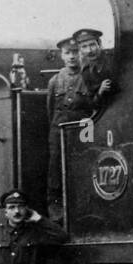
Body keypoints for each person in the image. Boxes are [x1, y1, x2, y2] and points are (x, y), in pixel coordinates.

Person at [45, 36, 84, 219]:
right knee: (56, 170)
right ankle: (56, 213)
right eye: (67, 53)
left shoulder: (88, 76)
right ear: (62, 55)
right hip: (58, 131)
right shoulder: (54, 81)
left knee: (84, 165)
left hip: (84, 129)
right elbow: (50, 109)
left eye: (75, 52)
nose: (72, 57)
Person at [72, 27, 119, 122]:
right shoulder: (86, 72)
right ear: (80, 50)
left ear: (99, 44)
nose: (89, 50)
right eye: (84, 47)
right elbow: (91, 103)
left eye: (92, 45)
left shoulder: (113, 60)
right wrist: (100, 92)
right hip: (104, 115)